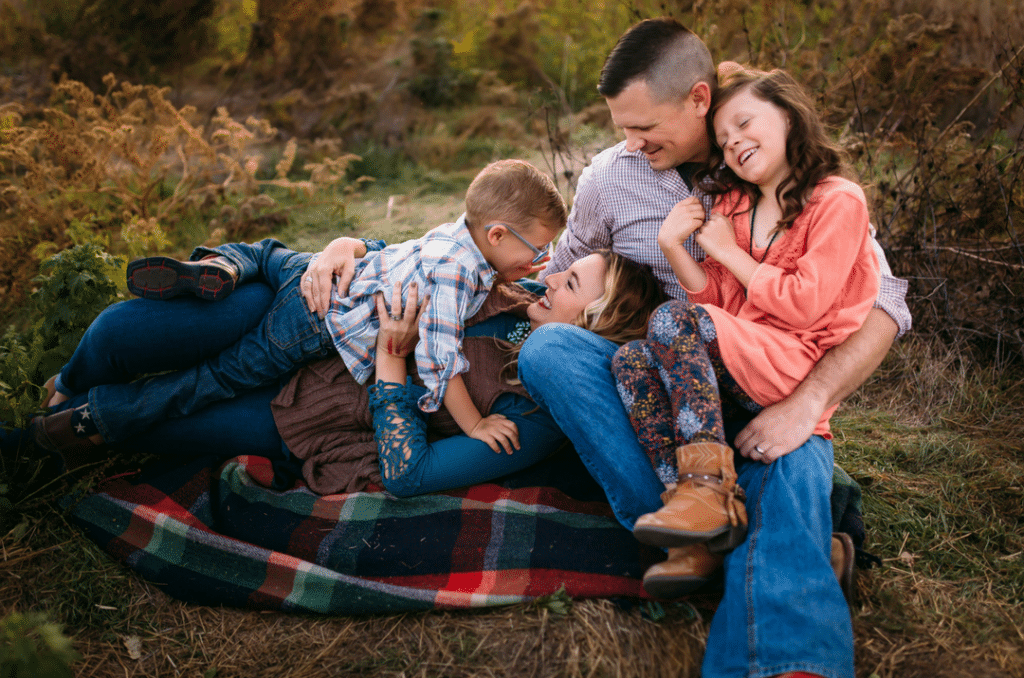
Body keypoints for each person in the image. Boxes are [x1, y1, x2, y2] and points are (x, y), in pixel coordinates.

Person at [514, 18, 912, 678]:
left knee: (786, 473)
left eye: (645, 128)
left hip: (771, 391)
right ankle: (707, 517)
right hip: (675, 392)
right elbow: (549, 261)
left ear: (699, 99)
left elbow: (886, 303)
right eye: (621, 129)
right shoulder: (613, 180)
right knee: (552, 350)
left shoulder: (787, 178)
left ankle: (776, 640)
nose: (631, 144)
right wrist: (380, 255)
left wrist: (806, 402)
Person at [26, 250, 664, 499]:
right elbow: (422, 251)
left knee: (152, 424)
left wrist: (391, 363)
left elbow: (409, 475)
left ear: (598, 322)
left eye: (572, 281)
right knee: (117, 332)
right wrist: (347, 249)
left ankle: (38, 434)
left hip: (312, 415)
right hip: (306, 325)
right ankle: (239, 262)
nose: (551, 276)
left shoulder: (530, 416)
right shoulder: (520, 294)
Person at [36, 159, 567, 457]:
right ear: (496, 234)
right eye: (536, 250)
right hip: (312, 322)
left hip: (321, 282)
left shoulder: (461, 236)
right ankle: (92, 418)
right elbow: (439, 359)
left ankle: (225, 266)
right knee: (212, 381)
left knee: (275, 259)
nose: (543, 262)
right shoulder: (459, 272)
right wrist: (473, 426)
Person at [611, 67, 880, 597]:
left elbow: (804, 305)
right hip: (748, 350)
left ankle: (708, 491)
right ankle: (698, 531)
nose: (734, 143)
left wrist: (728, 252)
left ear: (787, 113)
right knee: (630, 362)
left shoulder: (837, 200)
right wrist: (674, 246)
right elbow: (721, 304)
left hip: (797, 362)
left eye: (744, 123)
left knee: (670, 320)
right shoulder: (735, 205)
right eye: (723, 140)